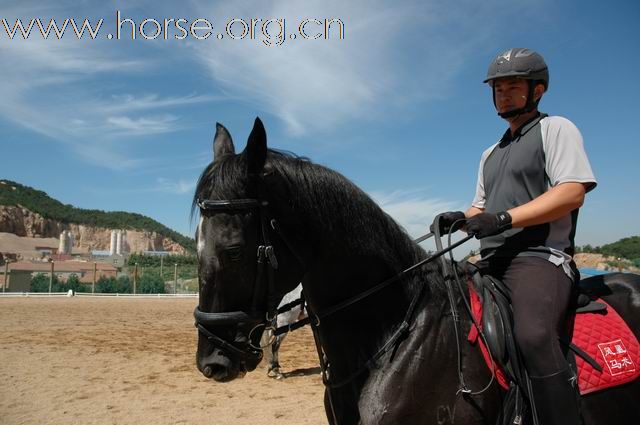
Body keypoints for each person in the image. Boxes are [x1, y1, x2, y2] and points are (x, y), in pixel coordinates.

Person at [434, 48, 597, 425]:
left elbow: (572, 191)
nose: (503, 94)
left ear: (537, 90)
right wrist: (460, 218)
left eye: (512, 87)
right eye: (498, 88)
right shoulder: (490, 153)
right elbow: (480, 209)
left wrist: (504, 218)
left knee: (534, 335)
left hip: (540, 257)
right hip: (491, 262)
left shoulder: (556, 129)